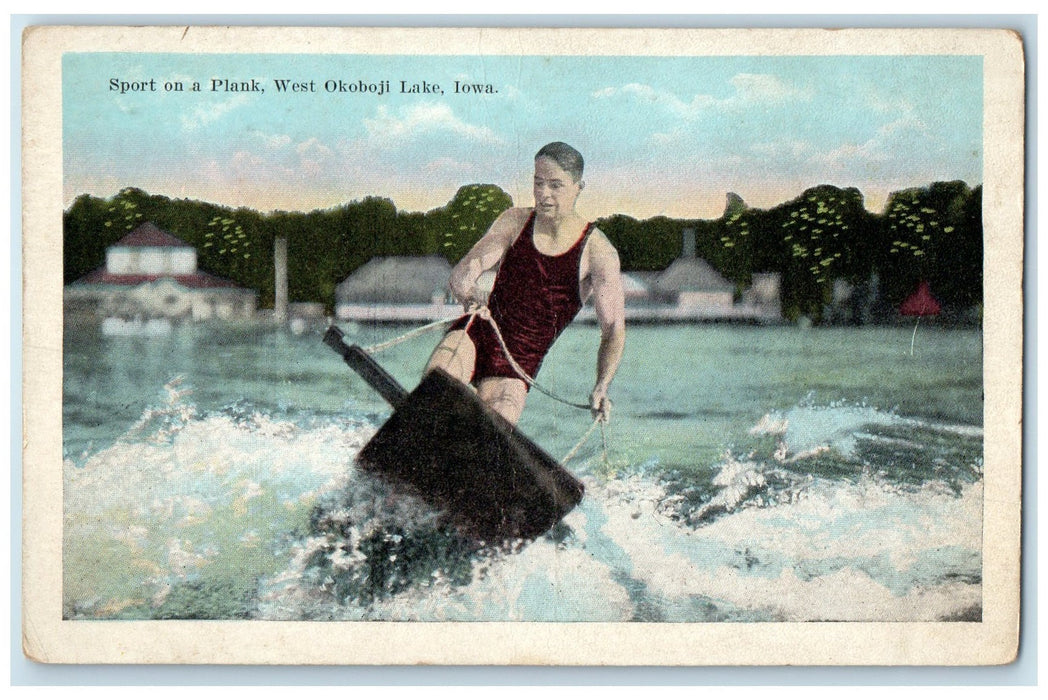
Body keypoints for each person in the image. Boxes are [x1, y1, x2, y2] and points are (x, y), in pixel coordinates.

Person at [425, 142, 626, 427]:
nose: (543, 193)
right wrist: (469, 294)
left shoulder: (598, 253)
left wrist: (601, 386)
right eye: (538, 182)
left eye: (555, 185)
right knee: (435, 387)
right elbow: (467, 270)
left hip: (517, 363)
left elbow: (614, 328)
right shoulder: (515, 221)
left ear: (578, 187)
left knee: (492, 430)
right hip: (476, 333)